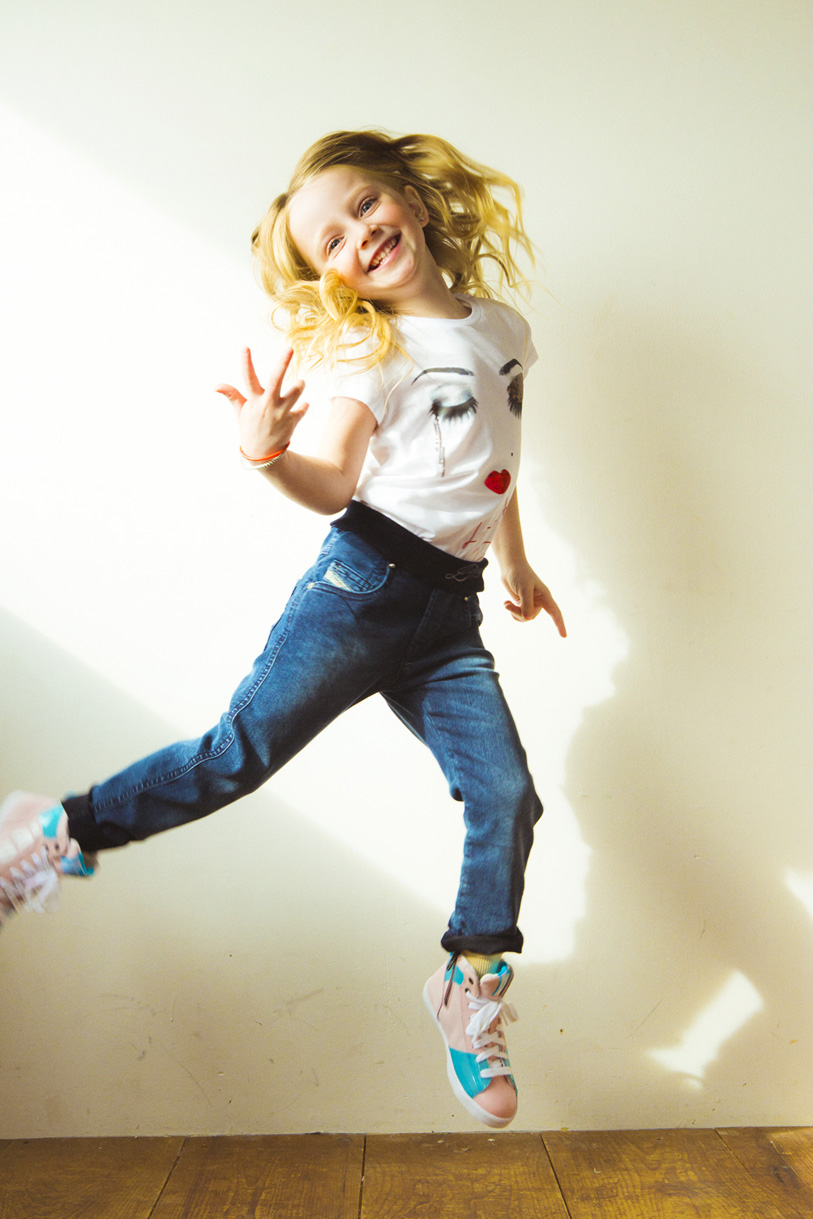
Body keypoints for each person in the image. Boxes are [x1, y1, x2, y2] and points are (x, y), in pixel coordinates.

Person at [0, 129, 566, 1129]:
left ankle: (469, 982)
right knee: (237, 756)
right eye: (331, 242)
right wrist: (268, 457)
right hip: (360, 593)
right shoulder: (376, 355)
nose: (358, 236)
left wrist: (514, 559)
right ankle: (59, 830)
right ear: (332, 278)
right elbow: (336, 481)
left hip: (449, 611)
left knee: (506, 791)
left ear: (412, 200)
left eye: (364, 207)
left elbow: (499, 453)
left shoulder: (502, 327)